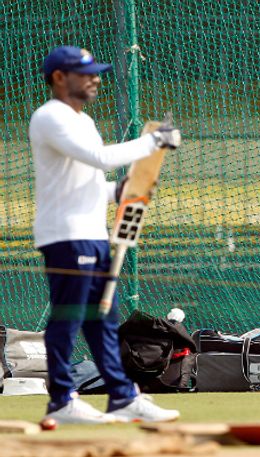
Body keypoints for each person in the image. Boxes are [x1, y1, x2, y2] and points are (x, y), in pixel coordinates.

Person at [30, 45, 182, 423]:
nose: (96, 78)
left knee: (102, 320)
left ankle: (122, 396)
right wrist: (153, 141)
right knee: (68, 317)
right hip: (65, 236)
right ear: (60, 78)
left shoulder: (85, 121)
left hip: (93, 233)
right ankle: (62, 400)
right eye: (86, 73)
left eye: (96, 72)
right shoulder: (50, 117)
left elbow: (89, 180)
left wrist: (119, 191)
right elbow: (98, 159)